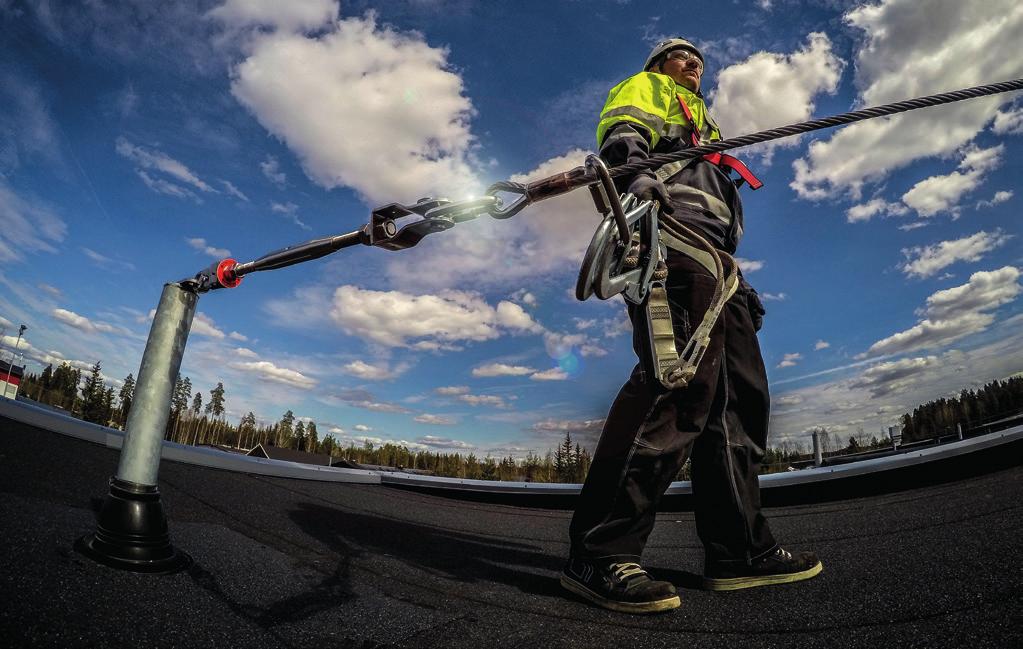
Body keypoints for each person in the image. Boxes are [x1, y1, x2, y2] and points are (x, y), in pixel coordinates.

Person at [561, 38, 822, 614]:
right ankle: (600, 551)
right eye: (681, 58)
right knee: (675, 382)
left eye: (697, 61)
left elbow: (720, 210)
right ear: (658, 66)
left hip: (717, 259)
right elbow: (624, 136)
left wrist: (738, 278)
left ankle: (738, 550)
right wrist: (636, 182)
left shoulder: (709, 127)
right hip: (668, 237)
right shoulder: (650, 88)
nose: (693, 64)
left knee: (737, 399)